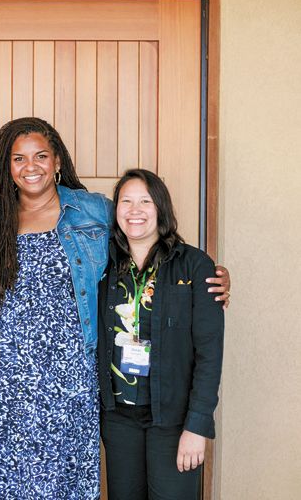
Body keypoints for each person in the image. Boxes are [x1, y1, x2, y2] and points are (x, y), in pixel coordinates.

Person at [0, 117, 230, 499]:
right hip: (8, 385)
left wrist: (207, 274)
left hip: (72, 381)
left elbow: (146, 238)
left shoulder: (92, 211)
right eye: (19, 159)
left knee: (64, 486)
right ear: (6, 168)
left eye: (41, 155)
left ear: (57, 160)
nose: (31, 166)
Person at [97, 169, 224, 499]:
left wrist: (197, 426)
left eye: (145, 201)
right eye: (126, 201)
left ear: (161, 208)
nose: (134, 210)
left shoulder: (195, 266)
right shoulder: (102, 264)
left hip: (173, 419)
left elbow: (210, 354)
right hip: (118, 418)